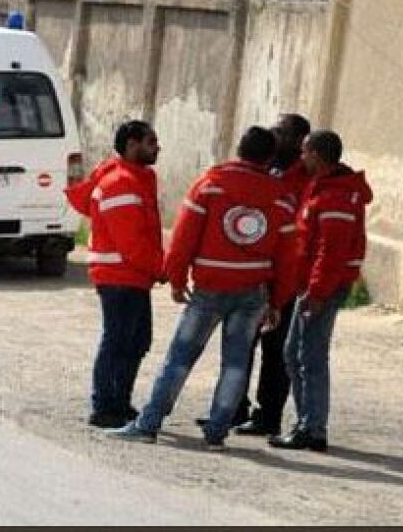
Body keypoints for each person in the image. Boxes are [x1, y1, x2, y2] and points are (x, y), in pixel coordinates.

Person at [108, 127, 298, 450]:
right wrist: (277, 301)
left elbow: (183, 238)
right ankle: (217, 432)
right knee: (236, 364)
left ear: (238, 149)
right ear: (269, 158)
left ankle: (149, 423)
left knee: (180, 357)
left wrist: (177, 278)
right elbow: (288, 256)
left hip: (209, 287)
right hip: (253, 291)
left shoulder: (210, 185)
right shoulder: (281, 197)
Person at [270, 130, 371, 452]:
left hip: (323, 287)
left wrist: (315, 293)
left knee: (308, 355)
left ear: (316, 154)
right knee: (295, 352)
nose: (301, 158)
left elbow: (330, 253)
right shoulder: (325, 187)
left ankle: (312, 428)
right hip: (315, 285)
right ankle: (307, 424)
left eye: (305, 153)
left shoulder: (335, 195)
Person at [66, 120, 164, 429]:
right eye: (151, 142)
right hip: (120, 276)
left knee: (135, 341)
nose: (157, 148)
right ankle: (105, 405)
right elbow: (131, 242)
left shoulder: (137, 179)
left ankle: (119, 401)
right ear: (132, 145)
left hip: (132, 275)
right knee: (119, 340)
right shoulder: (121, 184)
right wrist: (161, 268)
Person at [231, 113, 313, 436]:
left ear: (298, 140)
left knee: (276, 348)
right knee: (242, 340)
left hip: (287, 273)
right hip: (256, 269)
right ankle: (234, 405)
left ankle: (268, 415)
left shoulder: (306, 178)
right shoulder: (268, 170)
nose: (273, 135)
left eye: (280, 132)